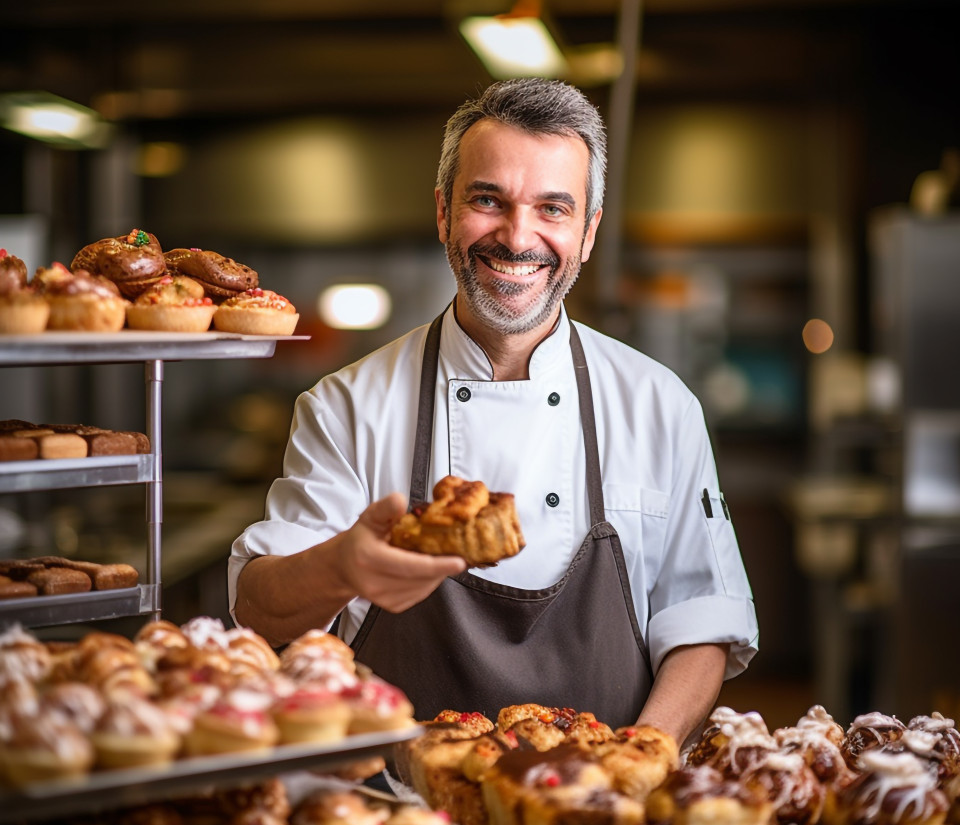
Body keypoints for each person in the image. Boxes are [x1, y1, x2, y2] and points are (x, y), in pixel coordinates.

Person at [229, 77, 758, 745]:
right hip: (401, 819)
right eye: (488, 200)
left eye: (553, 208)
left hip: (599, 815)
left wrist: (644, 755)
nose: (517, 236)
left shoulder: (659, 405)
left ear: (588, 233)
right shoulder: (347, 405)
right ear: (444, 212)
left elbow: (702, 620)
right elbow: (258, 612)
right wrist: (342, 566)